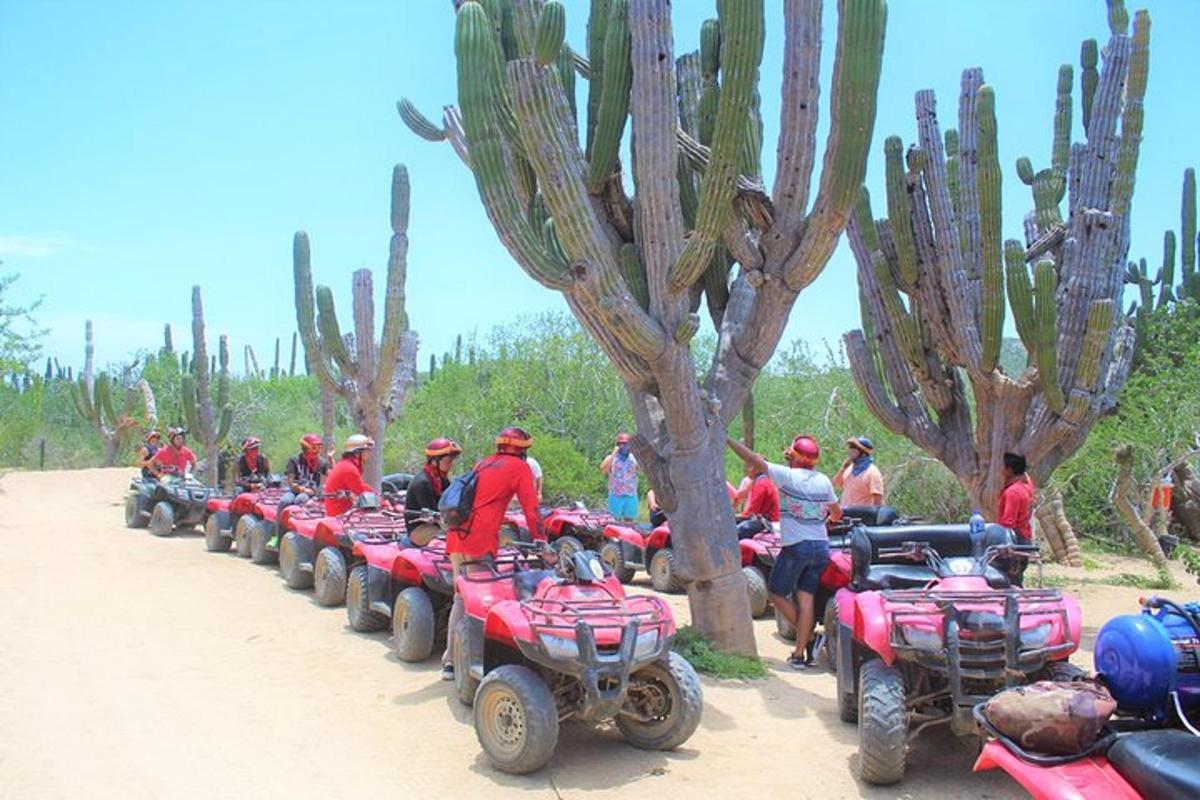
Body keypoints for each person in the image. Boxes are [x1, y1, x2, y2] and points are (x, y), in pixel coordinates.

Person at [727, 434, 841, 669]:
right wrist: (823, 520)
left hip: (797, 546)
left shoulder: (787, 476)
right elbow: (837, 513)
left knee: (776, 593)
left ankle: (808, 636)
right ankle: (800, 654)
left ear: (795, 457)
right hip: (821, 547)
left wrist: (727, 439)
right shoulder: (824, 481)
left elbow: (753, 459)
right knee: (805, 597)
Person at [442, 426, 543, 681]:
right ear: (522, 451)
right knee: (479, 602)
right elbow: (532, 510)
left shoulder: (484, 463)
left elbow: (482, 499)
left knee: (460, 599)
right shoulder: (520, 468)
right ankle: (473, 664)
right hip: (479, 541)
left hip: (457, 535)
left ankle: (449, 661)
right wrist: (542, 541)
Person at [270, 434, 330, 546]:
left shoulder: (321, 462)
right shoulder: (294, 460)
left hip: (311, 493)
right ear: (306, 448)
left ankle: (300, 537)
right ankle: (277, 536)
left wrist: (331, 459)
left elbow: (332, 476)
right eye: (314, 447)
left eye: (319, 447)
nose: (318, 451)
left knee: (301, 500)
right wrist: (302, 489)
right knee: (284, 501)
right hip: (294, 490)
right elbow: (291, 482)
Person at [404, 437, 462, 529]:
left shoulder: (442, 480)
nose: (452, 464)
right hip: (421, 532)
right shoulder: (422, 483)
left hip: (435, 529)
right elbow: (433, 514)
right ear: (435, 461)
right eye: (449, 460)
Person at [997, 451, 1036, 587]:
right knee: (1017, 580)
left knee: (1009, 582)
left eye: (1004, 468)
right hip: (1025, 539)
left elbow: (1007, 524)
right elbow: (1027, 477)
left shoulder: (1012, 493)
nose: (1001, 471)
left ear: (1009, 470)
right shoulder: (1027, 487)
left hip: (1014, 541)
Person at [322, 434, 376, 516]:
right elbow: (361, 491)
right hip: (339, 514)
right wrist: (382, 500)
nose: (368, 454)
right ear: (357, 453)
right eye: (366, 451)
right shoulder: (349, 469)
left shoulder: (345, 464)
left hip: (339, 510)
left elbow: (360, 486)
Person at [833, 436, 884, 508]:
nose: (850, 450)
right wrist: (842, 468)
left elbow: (877, 499)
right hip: (845, 514)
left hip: (862, 516)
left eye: (853, 447)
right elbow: (836, 484)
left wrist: (873, 517)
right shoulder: (849, 469)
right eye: (850, 447)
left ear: (863, 452)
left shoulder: (872, 472)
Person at [736, 462, 781, 539]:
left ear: (757, 469)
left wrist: (737, 516)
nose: (747, 470)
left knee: (736, 531)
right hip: (767, 520)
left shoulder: (761, 484)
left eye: (749, 467)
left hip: (767, 522)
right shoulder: (764, 481)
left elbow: (752, 511)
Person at [601, 433, 640, 521]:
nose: (624, 446)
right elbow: (603, 468)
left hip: (631, 494)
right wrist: (613, 454)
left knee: (629, 521)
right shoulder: (612, 458)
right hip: (616, 494)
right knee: (614, 521)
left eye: (626, 444)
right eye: (622, 444)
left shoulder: (634, 458)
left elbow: (643, 469)